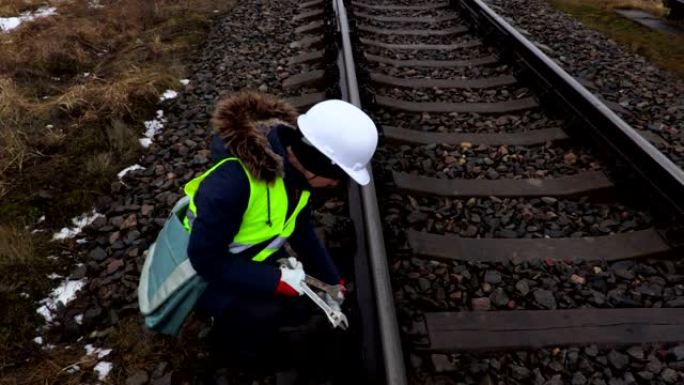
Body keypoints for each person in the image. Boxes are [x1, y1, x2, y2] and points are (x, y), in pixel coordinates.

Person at [183, 91, 378, 368]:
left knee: (298, 305)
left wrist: (331, 280)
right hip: (199, 274)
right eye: (338, 177)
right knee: (268, 313)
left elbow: (301, 229)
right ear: (316, 164)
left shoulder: (294, 175)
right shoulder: (234, 185)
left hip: (244, 257)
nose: (338, 185)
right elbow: (204, 259)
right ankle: (231, 348)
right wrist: (276, 280)